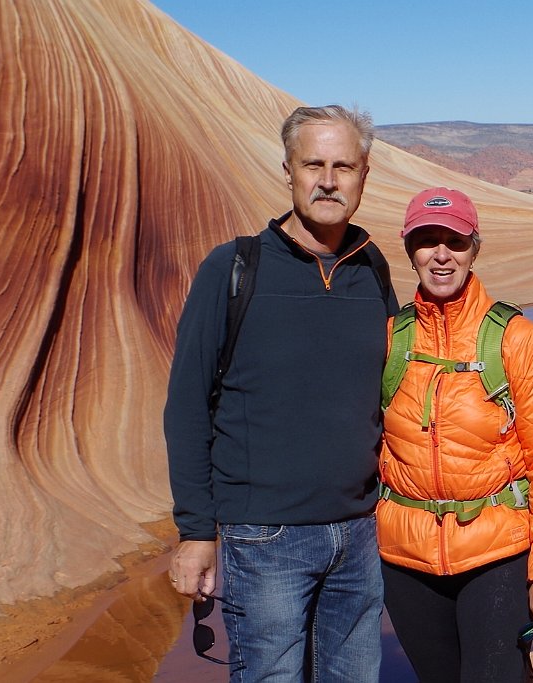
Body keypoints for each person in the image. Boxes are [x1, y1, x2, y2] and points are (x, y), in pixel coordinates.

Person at [163, 104, 398, 682]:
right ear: (287, 171)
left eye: (343, 165)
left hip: (360, 533)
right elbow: (188, 405)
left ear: (364, 175)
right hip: (265, 537)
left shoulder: (371, 268)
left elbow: (396, 393)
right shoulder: (234, 268)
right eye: (312, 163)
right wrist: (196, 532)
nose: (327, 179)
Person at [378, 187, 533, 682]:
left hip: (497, 555)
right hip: (405, 560)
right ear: (409, 249)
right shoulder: (389, 338)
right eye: (427, 240)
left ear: (475, 249)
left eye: (456, 241)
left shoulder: (515, 339)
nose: (441, 255)